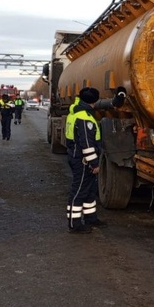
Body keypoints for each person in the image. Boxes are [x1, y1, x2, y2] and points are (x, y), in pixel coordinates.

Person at [65, 87, 105, 233]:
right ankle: (74, 224)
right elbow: (87, 144)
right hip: (82, 160)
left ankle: (90, 218)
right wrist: (94, 163)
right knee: (79, 191)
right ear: (94, 101)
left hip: (78, 157)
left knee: (89, 191)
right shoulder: (84, 117)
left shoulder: (77, 112)